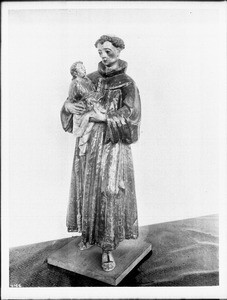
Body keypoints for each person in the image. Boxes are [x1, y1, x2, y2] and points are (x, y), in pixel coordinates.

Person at [60, 35, 141, 272]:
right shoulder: (88, 79)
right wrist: (68, 107)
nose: (103, 56)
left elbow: (132, 116)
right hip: (87, 146)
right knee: (87, 187)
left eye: (107, 51)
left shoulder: (127, 83)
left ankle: (107, 248)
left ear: (119, 51)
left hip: (111, 146)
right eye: (100, 52)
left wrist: (104, 117)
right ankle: (87, 234)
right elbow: (72, 100)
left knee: (108, 191)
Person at [68, 61, 105, 156]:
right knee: (85, 130)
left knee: (89, 126)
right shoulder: (75, 83)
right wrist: (69, 105)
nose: (84, 69)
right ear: (75, 73)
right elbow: (75, 97)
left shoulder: (87, 80)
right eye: (81, 68)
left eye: (83, 67)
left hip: (90, 106)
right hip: (83, 110)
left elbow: (92, 91)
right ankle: (82, 147)